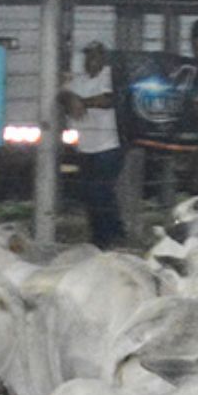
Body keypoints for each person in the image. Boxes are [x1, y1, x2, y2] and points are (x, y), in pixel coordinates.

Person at [57, 40, 126, 247]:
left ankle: (110, 234)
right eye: (87, 56)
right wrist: (70, 98)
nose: (90, 61)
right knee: (90, 193)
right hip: (85, 147)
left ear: (103, 58)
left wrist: (82, 102)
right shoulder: (81, 80)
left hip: (109, 144)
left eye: (95, 56)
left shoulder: (109, 76)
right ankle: (103, 235)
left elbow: (109, 99)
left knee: (100, 190)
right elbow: (62, 93)